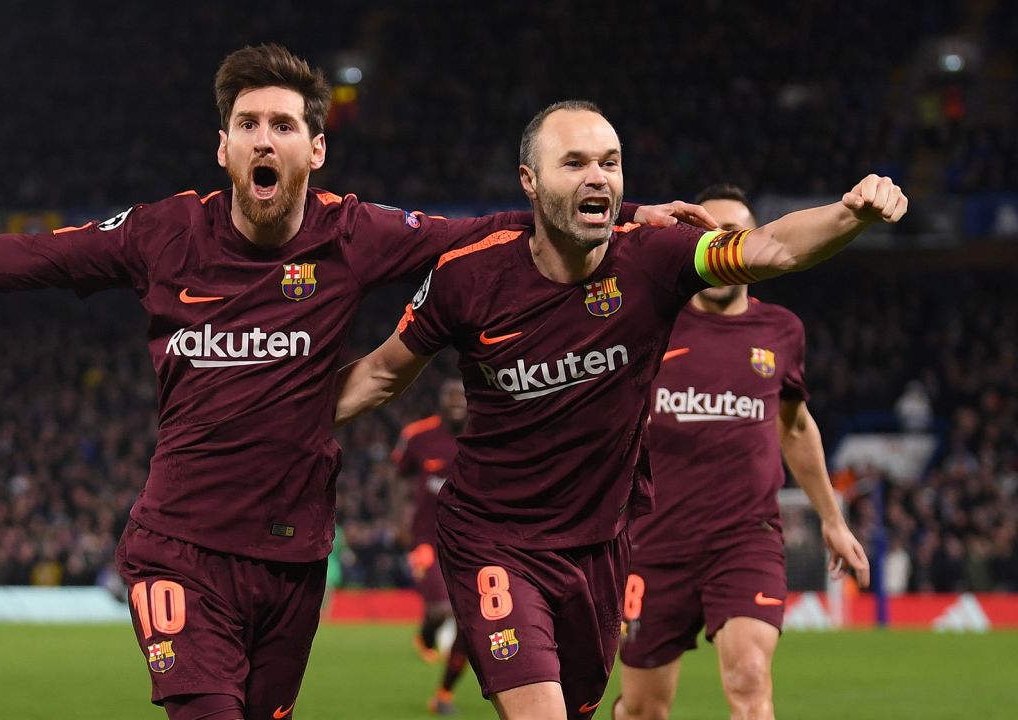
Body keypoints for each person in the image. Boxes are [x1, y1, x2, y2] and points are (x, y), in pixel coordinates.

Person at [0, 46, 704, 720]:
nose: (266, 139)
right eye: (250, 124)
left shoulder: (354, 235)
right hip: (180, 545)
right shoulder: (164, 234)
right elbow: (34, 256)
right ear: (224, 146)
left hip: (292, 558)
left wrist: (619, 216)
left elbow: (497, 227)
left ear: (316, 149)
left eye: (285, 125)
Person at [334, 100, 906, 719]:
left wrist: (849, 214)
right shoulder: (468, 274)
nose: (597, 177)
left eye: (610, 162)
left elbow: (770, 249)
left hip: (601, 546)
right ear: (529, 180)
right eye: (574, 162)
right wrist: (270, 419)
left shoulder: (656, 258)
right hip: (493, 537)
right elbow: (382, 373)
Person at [613, 184, 871, 720]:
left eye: (735, 234)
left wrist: (832, 519)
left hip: (744, 540)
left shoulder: (780, 331)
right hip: (654, 545)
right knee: (643, 709)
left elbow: (795, 427)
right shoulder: (651, 323)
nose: (723, 243)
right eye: (710, 235)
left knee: (750, 681)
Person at [392, 378, 470, 715]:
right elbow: (398, 477)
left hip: (470, 542)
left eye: (462, 397)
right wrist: (399, 520)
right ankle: (426, 634)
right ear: (441, 401)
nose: (457, 402)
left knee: (469, 625)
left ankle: (443, 695)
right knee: (440, 610)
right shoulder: (419, 435)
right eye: (451, 396)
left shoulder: (484, 434)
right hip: (426, 539)